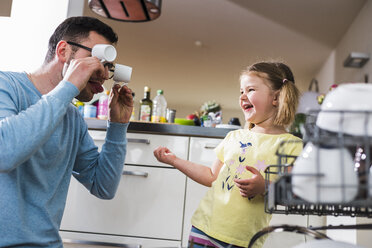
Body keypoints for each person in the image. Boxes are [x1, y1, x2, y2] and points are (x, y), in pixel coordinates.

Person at [0, 16, 133, 247]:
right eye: (97, 59)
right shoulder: (6, 86)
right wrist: (68, 87)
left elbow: (103, 186)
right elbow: (5, 152)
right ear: (63, 51)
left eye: (108, 66)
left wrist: (118, 128)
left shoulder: (73, 119)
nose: (103, 73)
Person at [154, 62, 303, 247]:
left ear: (276, 97)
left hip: (243, 240)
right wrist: (174, 160)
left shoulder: (291, 145)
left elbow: (294, 195)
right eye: (241, 91)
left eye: (250, 90)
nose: (242, 96)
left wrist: (265, 186)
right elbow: (211, 176)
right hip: (204, 228)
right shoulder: (234, 136)